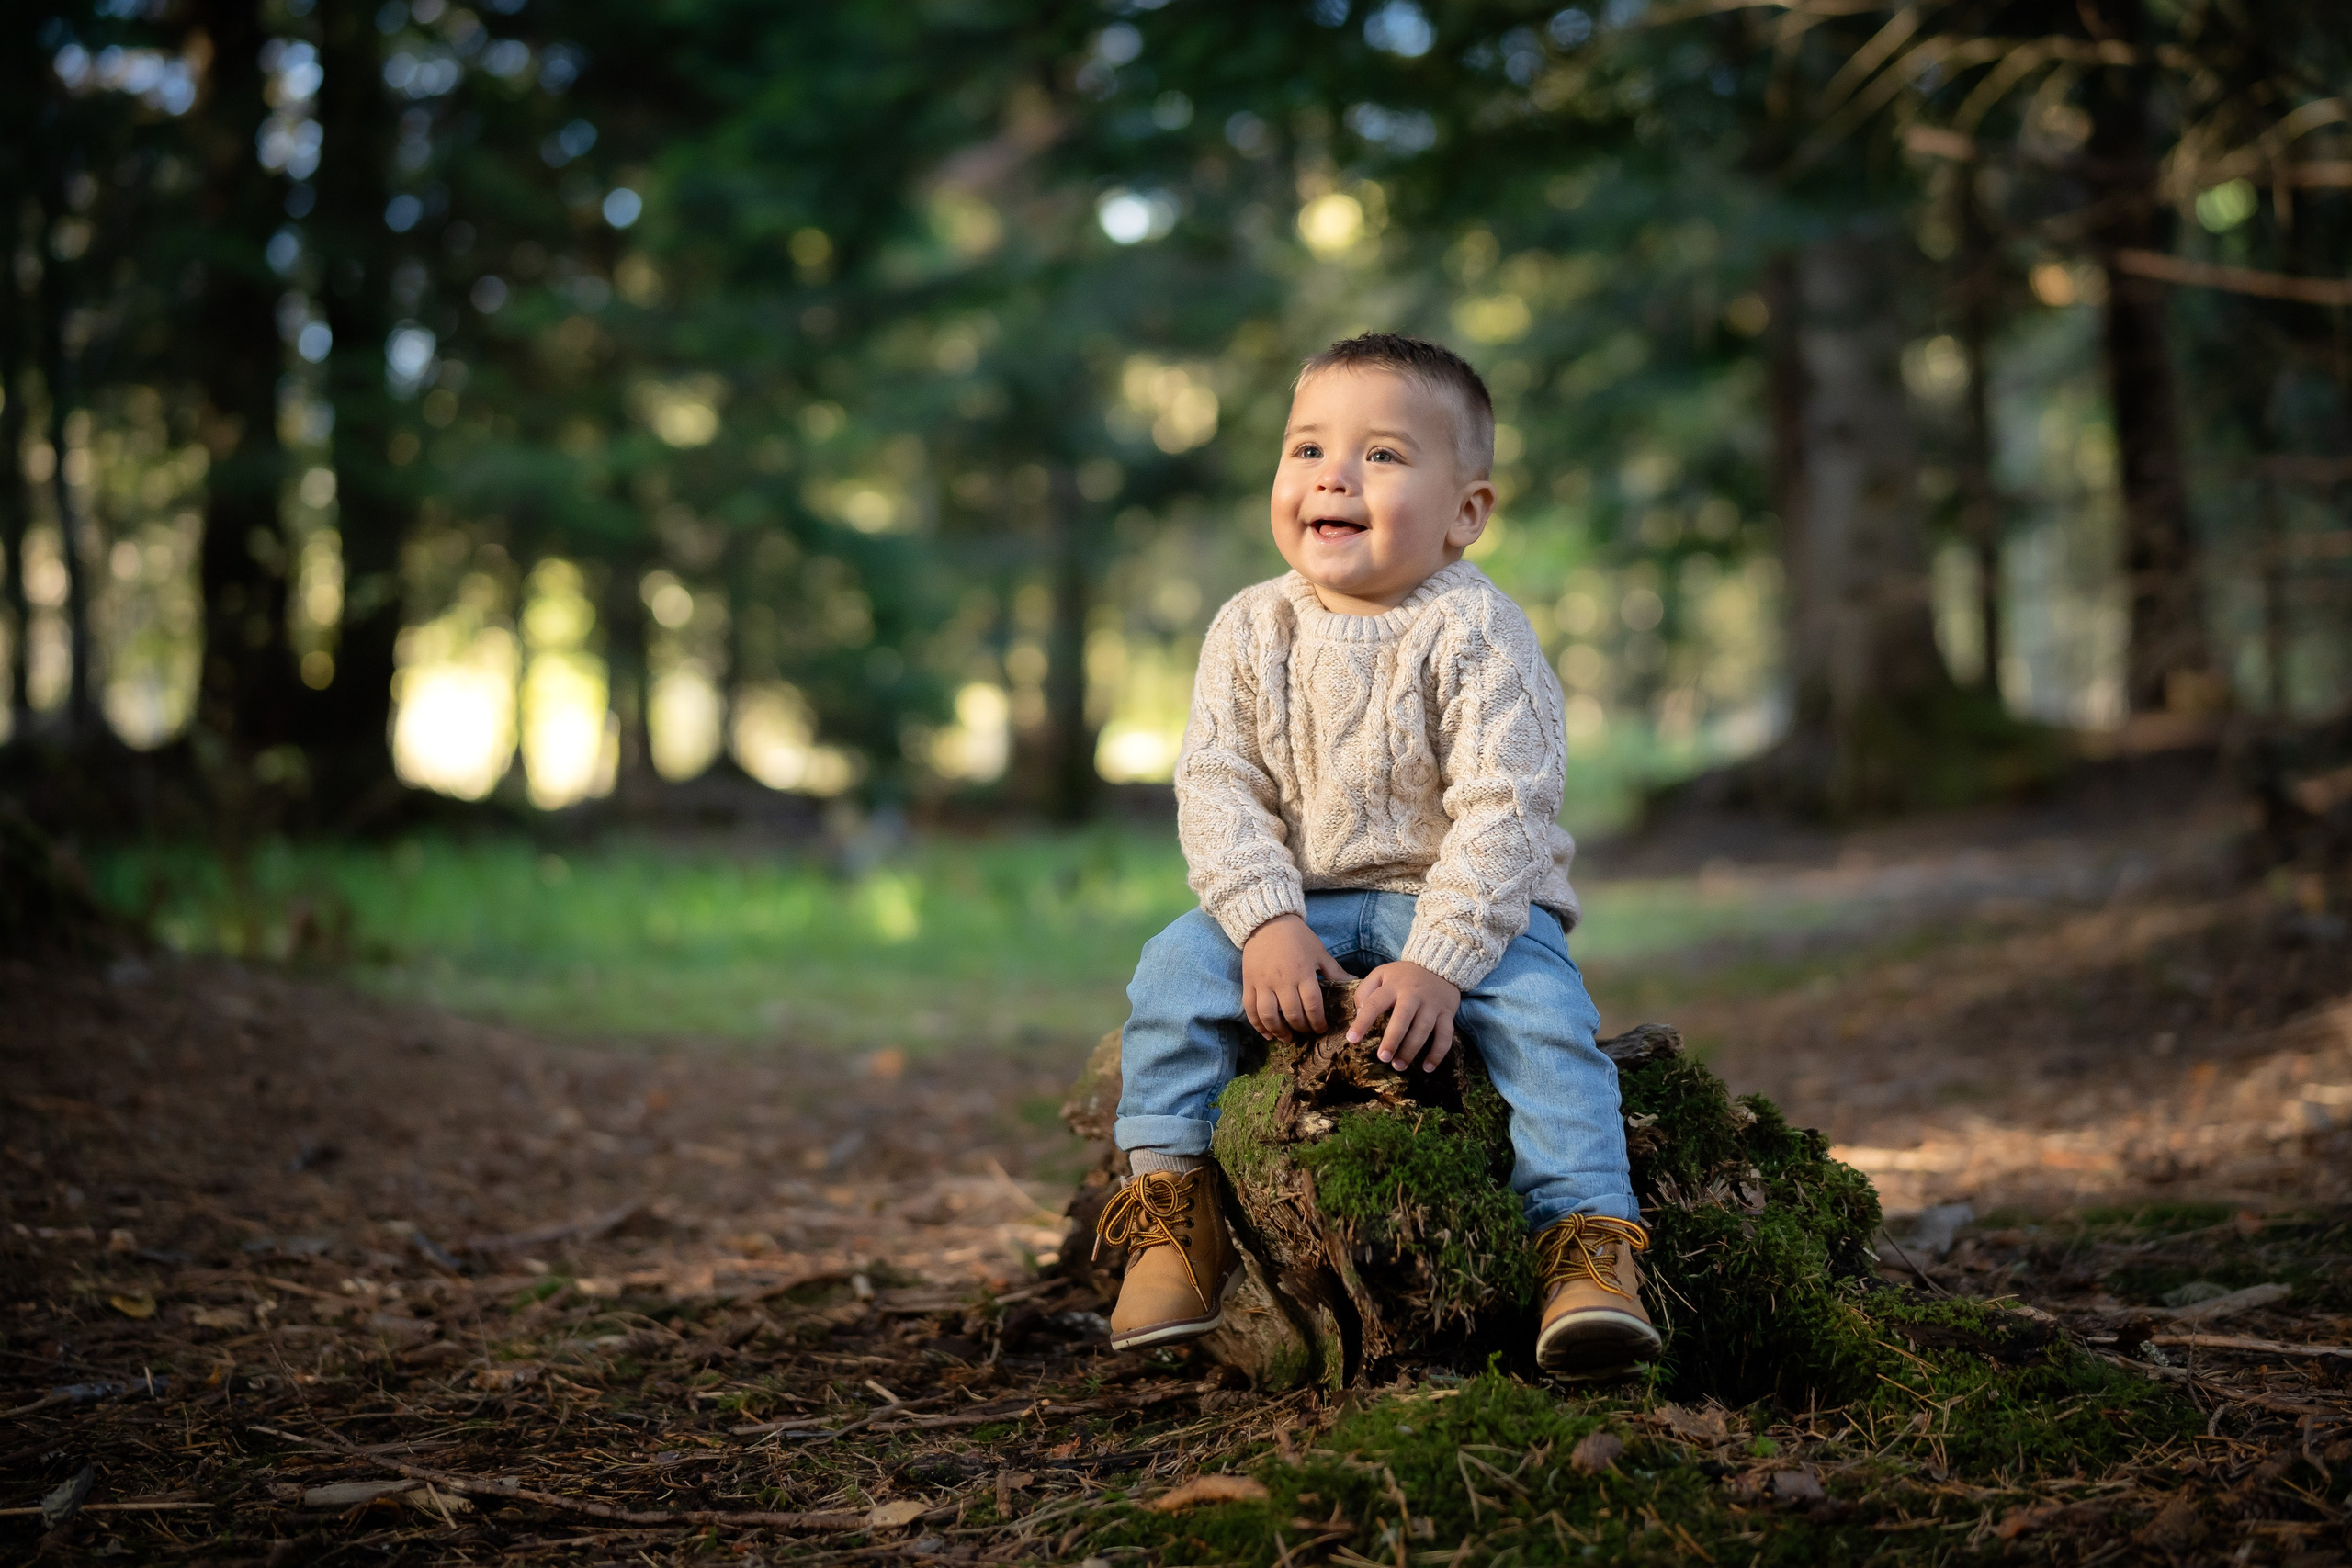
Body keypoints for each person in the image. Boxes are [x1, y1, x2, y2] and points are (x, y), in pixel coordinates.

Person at [1096, 332, 1656, 1381]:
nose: (1333, 475)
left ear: (1465, 514)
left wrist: (1442, 961)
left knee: (1546, 1022)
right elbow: (1218, 785)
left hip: (1459, 906)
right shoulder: (1248, 627)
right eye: (1306, 448)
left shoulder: (1481, 633)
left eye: (1383, 455)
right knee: (1171, 972)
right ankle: (1172, 1210)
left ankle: (1584, 1248)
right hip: (1295, 901)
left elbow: (1507, 812)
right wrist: (1265, 922)